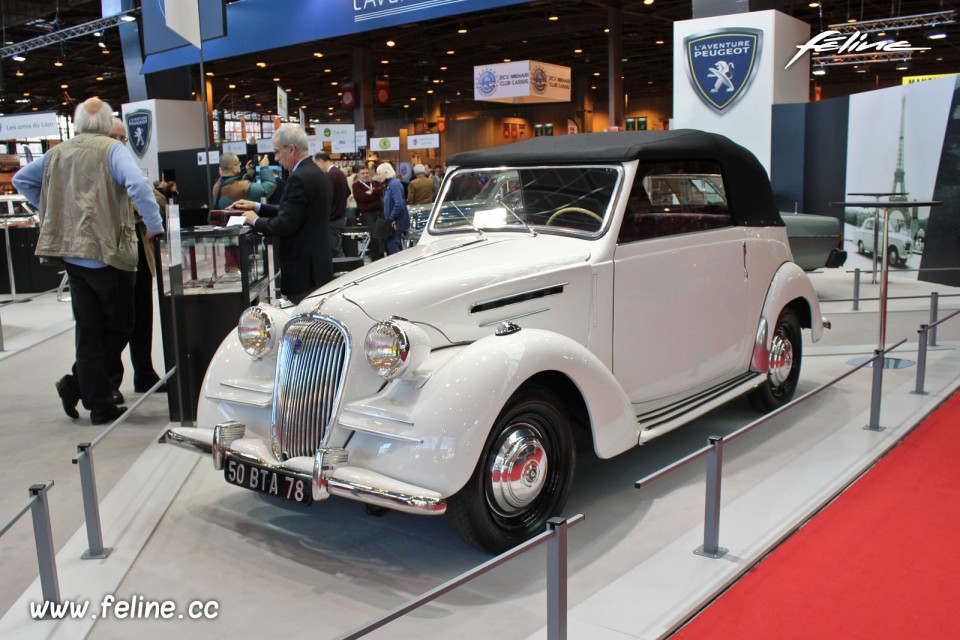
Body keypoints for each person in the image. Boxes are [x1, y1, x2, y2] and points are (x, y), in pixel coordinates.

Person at [12, 98, 163, 425]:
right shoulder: (112, 150)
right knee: (122, 324)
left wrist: (52, 209)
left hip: (73, 255)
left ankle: (95, 401)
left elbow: (21, 180)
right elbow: (138, 185)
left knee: (89, 330)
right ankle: (79, 385)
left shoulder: (57, 152)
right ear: (108, 123)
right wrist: (155, 225)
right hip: (109, 252)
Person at [228, 124, 333, 304]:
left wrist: (255, 221)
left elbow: (285, 224)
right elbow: (296, 213)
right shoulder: (316, 173)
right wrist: (257, 207)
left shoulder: (299, 177)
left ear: (291, 149)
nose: (276, 158)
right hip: (317, 267)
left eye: (277, 152)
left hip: (303, 271)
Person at [108, 118, 167, 398]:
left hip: (140, 255)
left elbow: (158, 200)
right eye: (115, 137)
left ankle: (144, 374)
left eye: (123, 138)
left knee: (143, 316)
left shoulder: (129, 166)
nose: (121, 143)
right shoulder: (102, 169)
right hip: (113, 256)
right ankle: (109, 381)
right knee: (118, 321)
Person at [313, 152, 348, 258]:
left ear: (321, 161)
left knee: (334, 251)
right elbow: (348, 192)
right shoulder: (340, 173)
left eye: (316, 164)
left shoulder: (330, 175)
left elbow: (327, 197)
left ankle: (339, 273)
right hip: (340, 216)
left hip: (332, 218)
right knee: (336, 248)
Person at [352, 165, 385, 261]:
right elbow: (362, 198)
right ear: (358, 175)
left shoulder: (375, 183)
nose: (365, 175)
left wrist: (372, 192)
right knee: (373, 237)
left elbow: (382, 190)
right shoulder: (356, 186)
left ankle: (383, 257)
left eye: (367, 173)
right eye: (362, 173)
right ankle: (375, 258)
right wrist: (376, 194)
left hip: (379, 213)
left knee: (382, 235)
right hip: (367, 215)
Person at [377, 162, 410, 255]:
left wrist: (390, 218)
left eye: (379, 173)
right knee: (394, 245)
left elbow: (398, 204)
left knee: (393, 246)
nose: (378, 176)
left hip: (396, 222)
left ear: (386, 173)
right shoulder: (390, 184)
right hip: (395, 221)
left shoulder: (393, 184)